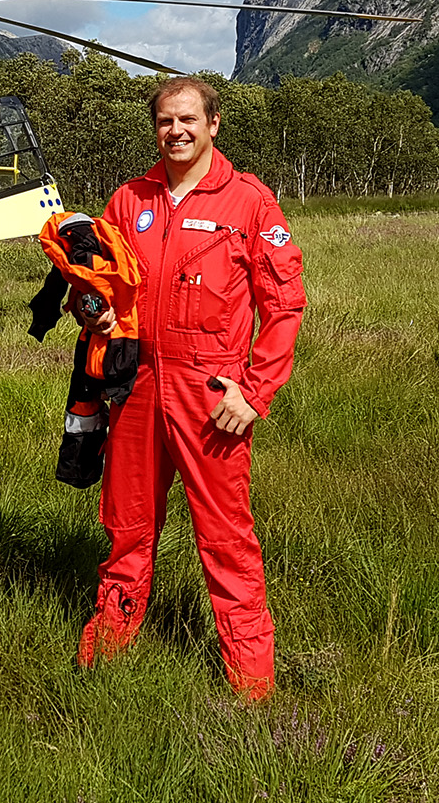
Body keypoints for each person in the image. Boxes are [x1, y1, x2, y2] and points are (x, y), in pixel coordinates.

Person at [73, 76, 305, 699]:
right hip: (137, 386)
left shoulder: (249, 203)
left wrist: (253, 392)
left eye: (188, 120)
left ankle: (250, 685)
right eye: (165, 122)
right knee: (128, 527)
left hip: (210, 394)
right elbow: (96, 285)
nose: (176, 131)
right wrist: (90, 306)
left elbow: (283, 305)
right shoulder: (128, 200)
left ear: (213, 124)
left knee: (225, 538)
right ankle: (106, 660)